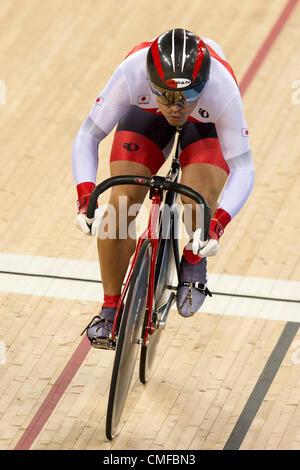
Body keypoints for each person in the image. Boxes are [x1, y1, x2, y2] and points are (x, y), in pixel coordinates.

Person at [72, 29, 254, 348]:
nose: (176, 107)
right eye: (167, 96)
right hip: (145, 115)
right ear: (150, 81)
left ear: (203, 85)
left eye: (186, 97)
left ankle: (194, 259)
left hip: (204, 125)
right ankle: (111, 308)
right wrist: (86, 196)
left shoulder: (221, 87)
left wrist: (217, 225)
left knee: (197, 199)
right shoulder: (132, 71)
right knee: (118, 210)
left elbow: (244, 166)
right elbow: (88, 135)